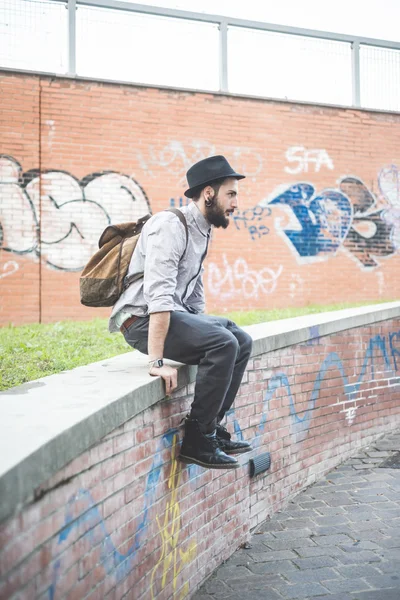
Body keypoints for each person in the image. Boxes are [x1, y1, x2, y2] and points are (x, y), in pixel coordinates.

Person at [109, 155, 253, 469]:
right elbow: (158, 296)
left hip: (171, 314)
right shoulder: (169, 225)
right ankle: (197, 441)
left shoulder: (203, 228)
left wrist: (202, 326)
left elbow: (194, 288)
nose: (236, 203)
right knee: (223, 343)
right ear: (209, 194)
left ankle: (211, 428)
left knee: (240, 339)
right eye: (231, 194)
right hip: (141, 320)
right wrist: (156, 362)